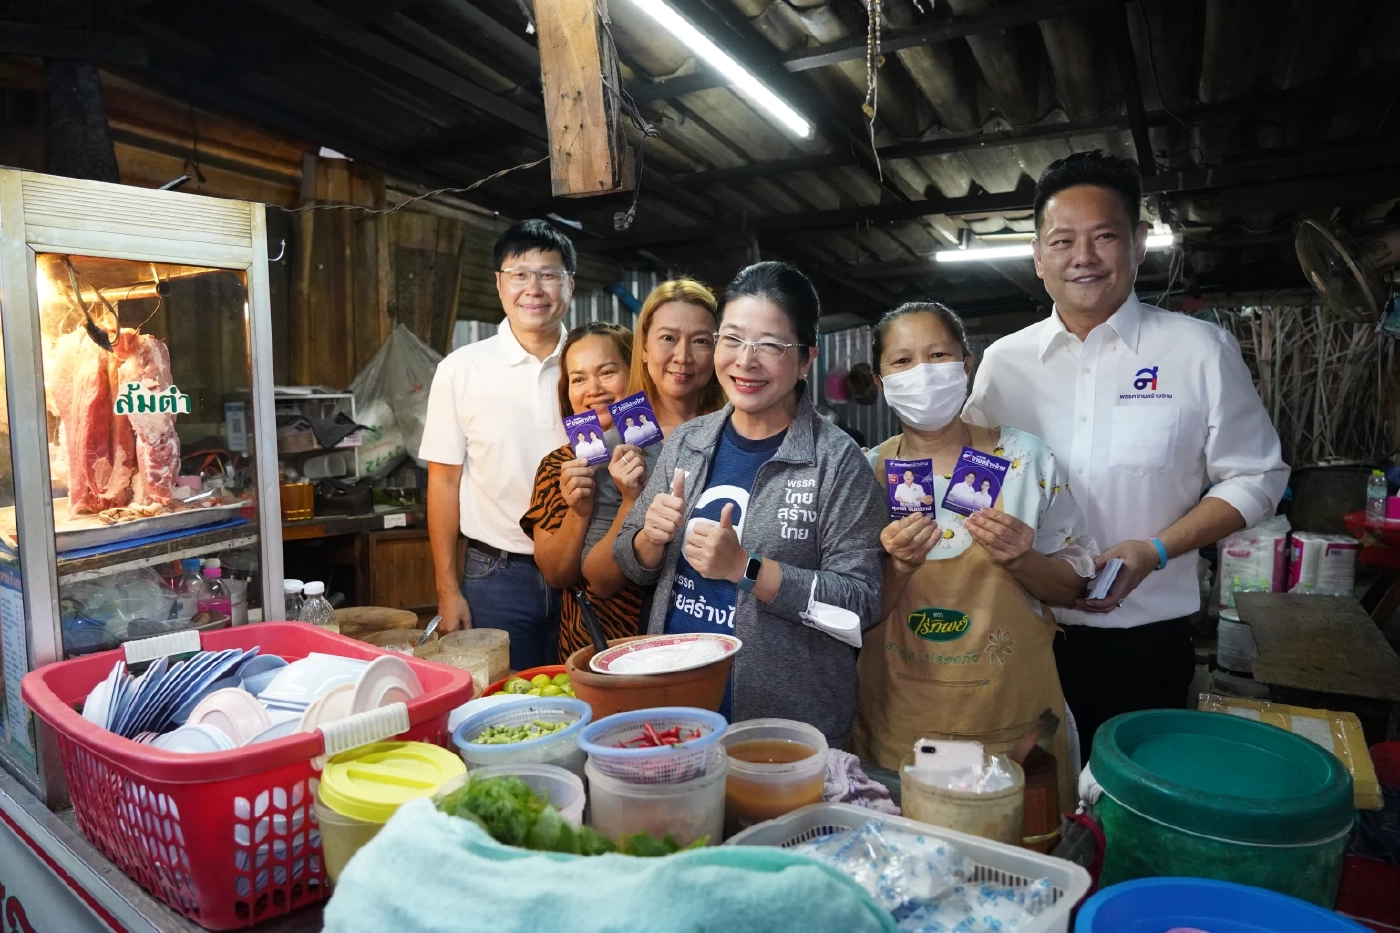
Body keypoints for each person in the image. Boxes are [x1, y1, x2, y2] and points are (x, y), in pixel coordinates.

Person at [964, 150, 1289, 757]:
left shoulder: (1199, 351)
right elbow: (973, 478)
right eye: (1061, 241)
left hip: (1145, 642)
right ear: (1038, 257)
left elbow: (1256, 478)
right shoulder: (1004, 363)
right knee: (1027, 805)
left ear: (1139, 243)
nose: (1082, 257)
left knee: (1131, 814)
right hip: (1022, 633)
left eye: (1104, 236)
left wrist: (1154, 549)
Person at [613, 262, 886, 742]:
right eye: (733, 339)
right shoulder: (688, 442)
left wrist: (747, 568)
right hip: (677, 700)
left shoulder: (836, 461)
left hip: (784, 721)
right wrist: (649, 542)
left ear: (806, 359)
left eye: (771, 346)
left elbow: (859, 602)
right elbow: (632, 564)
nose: (746, 360)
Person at [852, 302, 1095, 810]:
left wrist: (1022, 559)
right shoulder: (861, 475)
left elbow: (1073, 587)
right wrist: (896, 567)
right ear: (881, 382)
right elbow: (852, 614)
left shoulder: (1026, 460)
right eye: (902, 361)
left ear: (966, 364)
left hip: (1012, 728)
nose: (921, 373)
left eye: (937, 354)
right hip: (901, 730)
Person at [420, 219, 575, 668]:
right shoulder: (461, 369)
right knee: (505, 710)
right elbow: (444, 484)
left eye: (549, 273)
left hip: (584, 569)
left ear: (570, 283)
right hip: (496, 575)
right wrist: (448, 591)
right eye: (520, 274)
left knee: (588, 699)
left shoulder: (594, 362)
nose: (534, 288)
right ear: (499, 283)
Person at [584, 279, 724, 601]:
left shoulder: (740, 432)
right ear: (644, 349)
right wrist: (631, 501)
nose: (683, 356)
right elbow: (598, 581)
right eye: (667, 338)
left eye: (701, 341)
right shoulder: (616, 446)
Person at [521, 322, 647, 659]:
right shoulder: (557, 467)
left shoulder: (671, 447)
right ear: (567, 393)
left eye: (607, 372)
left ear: (634, 374)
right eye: (578, 379)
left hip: (671, 635)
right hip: (592, 645)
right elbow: (557, 575)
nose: (593, 389)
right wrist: (579, 510)